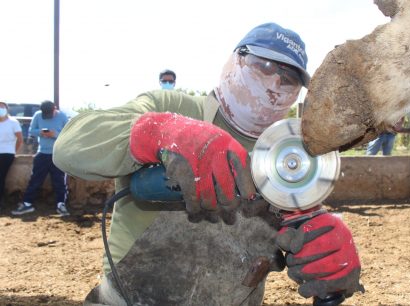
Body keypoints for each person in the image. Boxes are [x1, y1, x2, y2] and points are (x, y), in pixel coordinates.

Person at [53, 23, 363, 305]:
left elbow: (309, 232)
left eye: (290, 77)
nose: (276, 83)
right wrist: (161, 132)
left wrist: (327, 250)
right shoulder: (172, 107)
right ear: (235, 61)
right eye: (265, 65)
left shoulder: (287, 158)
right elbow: (70, 145)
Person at [12, 101, 69, 216]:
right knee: (35, 179)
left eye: (49, 113)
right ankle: (27, 204)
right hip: (42, 153)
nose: (47, 116)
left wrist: (54, 134)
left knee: (59, 181)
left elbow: (67, 134)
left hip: (57, 154)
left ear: (54, 109)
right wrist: (42, 132)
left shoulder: (62, 116)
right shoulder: (38, 115)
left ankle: (61, 204)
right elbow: (31, 131)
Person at [0, 101, 23, 210]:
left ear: (6, 109)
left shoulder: (13, 122)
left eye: (2, 107)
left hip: (7, 153)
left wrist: (14, 151)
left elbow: (20, 139)